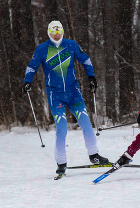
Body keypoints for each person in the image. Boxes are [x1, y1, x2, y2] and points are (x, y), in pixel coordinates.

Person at [22, 20, 109, 175]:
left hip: (73, 91)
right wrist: (27, 82)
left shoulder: (71, 45)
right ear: (49, 32)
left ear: (63, 31)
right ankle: (61, 162)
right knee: (61, 128)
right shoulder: (42, 49)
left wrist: (91, 78)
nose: (57, 35)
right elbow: (31, 67)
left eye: (59, 31)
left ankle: (94, 155)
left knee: (86, 123)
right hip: (55, 95)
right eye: (54, 32)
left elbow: (86, 60)